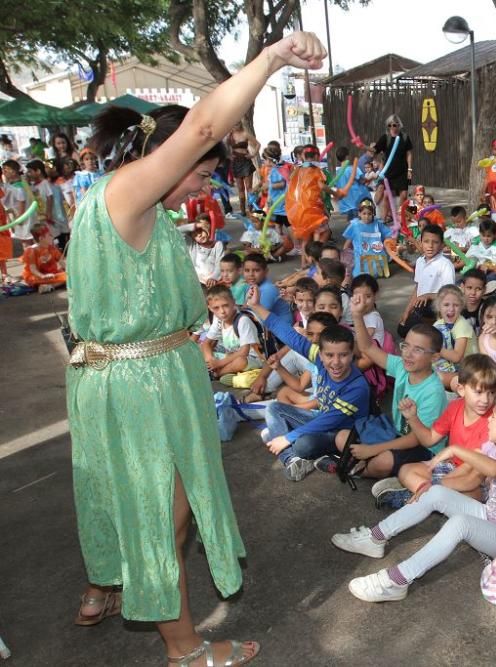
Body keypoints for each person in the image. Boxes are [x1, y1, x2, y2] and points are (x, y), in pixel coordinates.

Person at [64, 31, 324, 665]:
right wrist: (272, 59)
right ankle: (184, 650)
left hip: (132, 375)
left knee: (121, 495)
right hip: (142, 383)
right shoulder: (127, 194)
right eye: (199, 174)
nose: (196, 189)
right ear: (165, 156)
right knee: (167, 515)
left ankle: (104, 584)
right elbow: (205, 126)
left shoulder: (121, 204)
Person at [331, 391, 496, 603]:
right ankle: (375, 538)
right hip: (490, 516)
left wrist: (455, 450)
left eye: (494, 417)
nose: (488, 420)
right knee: (435, 491)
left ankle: (398, 580)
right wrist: (436, 483)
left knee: (460, 523)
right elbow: (472, 464)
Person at [246, 285, 370, 481]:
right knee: (274, 409)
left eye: (343, 355)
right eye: (329, 355)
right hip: (320, 419)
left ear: (351, 354)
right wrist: (256, 306)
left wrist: (286, 438)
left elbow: (328, 421)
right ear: (319, 353)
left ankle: (298, 449)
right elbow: (288, 334)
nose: (335, 362)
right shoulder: (318, 357)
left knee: (303, 443)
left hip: (340, 432)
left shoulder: (357, 387)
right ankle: (292, 460)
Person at [333, 296, 447, 480]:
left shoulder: (433, 391)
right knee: (342, 438)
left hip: (423, 448)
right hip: (395, 431)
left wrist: (372, 449)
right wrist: (356, 315)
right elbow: (368, 347)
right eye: (406, 346)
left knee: (383, 461)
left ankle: (359, 470)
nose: (408, 354)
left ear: (434, 357)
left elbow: (417, 439)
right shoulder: (402, 365)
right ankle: (365, 461)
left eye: (418, 350)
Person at [372, 355, 496, 509]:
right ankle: (428, 496)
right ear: (461, 389)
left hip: (477, 479)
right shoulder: (455, 407)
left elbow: (473, 475)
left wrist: (437, 484)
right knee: (405, 470)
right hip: (452, 468)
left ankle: (415, 496)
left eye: (491, 392)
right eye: (479, 392)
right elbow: (429, 439)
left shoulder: (494, 420)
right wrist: (413, 418)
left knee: (472, 495)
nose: (486, 400)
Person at [398, 223, 455, 337]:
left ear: (442, 245)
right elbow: (418, 288)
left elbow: (450, 293)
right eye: (426, 241)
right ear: (421, 243)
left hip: (437, 305)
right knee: (402, 330)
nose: (430, 246)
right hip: (421, 305)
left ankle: (435, 326)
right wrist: (407, 311)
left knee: (415, 329)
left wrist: (428, 295)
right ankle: (428, 328)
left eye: (435, 242)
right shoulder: (420, 261)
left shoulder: (445, 264)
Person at [199, 284, 263, 380]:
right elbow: (206, 343)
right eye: (216, 308)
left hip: (251, 358)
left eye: (225, 306)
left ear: (233, 302)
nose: (222, 311)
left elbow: (244, 352)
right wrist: (210, 361)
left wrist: (219, 364)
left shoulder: (242, 321)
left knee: (240, 361)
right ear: (210, 308)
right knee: (200, 349)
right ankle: (215, 371)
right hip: (230, 356)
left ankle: (218, 374)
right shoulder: (219, 319)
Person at [431, 284, 478, 378]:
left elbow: (457, 357)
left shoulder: (462, 325)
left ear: (461, 307)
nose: (451, 309)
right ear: (438, 307)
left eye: (456, 305)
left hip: (468, 369)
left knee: (434, 376)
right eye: (446, 305)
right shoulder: (438, 324)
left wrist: (435, 348)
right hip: (448, 364)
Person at [373, 113, 414, 214]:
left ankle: (401, 217)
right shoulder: (385, 138)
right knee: (387, 196)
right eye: (390, 125)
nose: (392, 127)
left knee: (404, 195)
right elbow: (375, 150)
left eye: (394, 125)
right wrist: (364, 147)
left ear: (399, 125)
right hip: (389, 172)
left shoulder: (404, 138)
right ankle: (384, 218)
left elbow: (409, 154)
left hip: (402, 171)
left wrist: (410, 169)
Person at [342, 198, 390, 278]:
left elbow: (388, 236)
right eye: (364, 213)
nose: (367, 216)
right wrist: (345, 259)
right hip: (361, 258)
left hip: (377, 256)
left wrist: (388, 245)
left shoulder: (378, 224)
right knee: (359, 275)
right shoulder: (355, 226)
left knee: (378, 272)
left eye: (369, 214)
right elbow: (347, 243)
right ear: (359, 213)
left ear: (373, 214)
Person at [20, 222, 66, 293]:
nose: (52, 236)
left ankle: (49, 286)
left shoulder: (52, 249)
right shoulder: (32, 251)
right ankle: (47, 285)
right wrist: (42, 276)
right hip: (37, 276)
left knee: (67, 275)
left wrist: (71, 271)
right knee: (64, 278)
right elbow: (33, 270)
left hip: (51, 275)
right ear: (41, 238)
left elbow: (63, 264)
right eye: (49, 235)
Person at [467, 218, 496, 288]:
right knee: (468, 275)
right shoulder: (476, 244)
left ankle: (482, 285)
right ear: (479, 233)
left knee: (494, 276)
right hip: (479, 271)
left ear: (494, 234)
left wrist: (488, 267)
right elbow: (470, 259)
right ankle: (476, 284)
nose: (486, 239)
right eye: (483, 235)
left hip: (494, 271)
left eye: (488, 236)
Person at [227, 122, 259, 217]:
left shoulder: (245, 134)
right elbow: (225, 147)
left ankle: (250, 208)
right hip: (236, 162)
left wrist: (253, 154)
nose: (235, 125)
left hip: (245, 161)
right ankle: (242, 210)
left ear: (240, 124)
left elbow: (258, 144)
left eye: (237, 123)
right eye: (234, 123)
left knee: (248, 187)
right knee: (240, 188)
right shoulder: (230, 135)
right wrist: (229, 155)